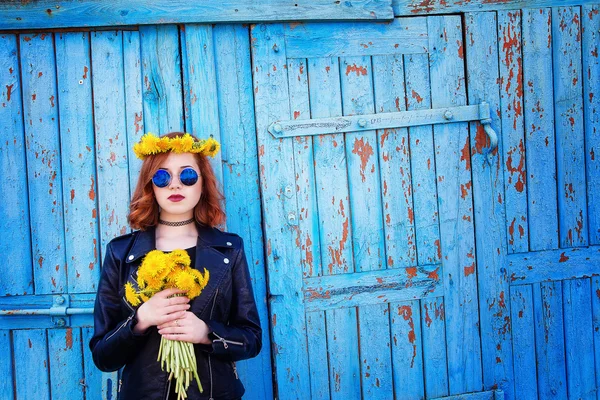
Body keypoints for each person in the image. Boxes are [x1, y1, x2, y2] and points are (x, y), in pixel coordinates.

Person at [89, 132, 262, 400]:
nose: (175, 185)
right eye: (162, 176)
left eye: (188, 176)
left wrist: (207, 334)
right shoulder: (121, 253)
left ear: (202, 183)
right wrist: (141, 319)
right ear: (151, 186)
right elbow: (103, 356)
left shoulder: (230, 249)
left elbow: (251, 339)